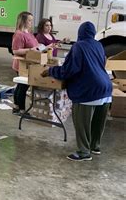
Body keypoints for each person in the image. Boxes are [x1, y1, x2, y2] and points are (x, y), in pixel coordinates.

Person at [42, 22, 112, 162]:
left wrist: (50, 71)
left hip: (88, 90)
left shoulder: (78, 46)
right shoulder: (98, 45)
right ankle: (95, 147)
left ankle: (84, 152)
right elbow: (101, 63)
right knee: (98, 122)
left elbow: (68, 70)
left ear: (80, 33)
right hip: (106, 88)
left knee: (82, 122)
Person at [11, 11, 39, 115]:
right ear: (23, 21)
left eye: (32, 20)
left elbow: (34, 45)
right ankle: (22, 110)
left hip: (29, 64)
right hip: (22, 65)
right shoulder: (19, 34)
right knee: (23, 87)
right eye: (29, 20)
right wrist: (31, 49)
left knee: (20, 86)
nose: (31, 22)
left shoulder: (29, 33)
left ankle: (16, 106)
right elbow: (16, 50)